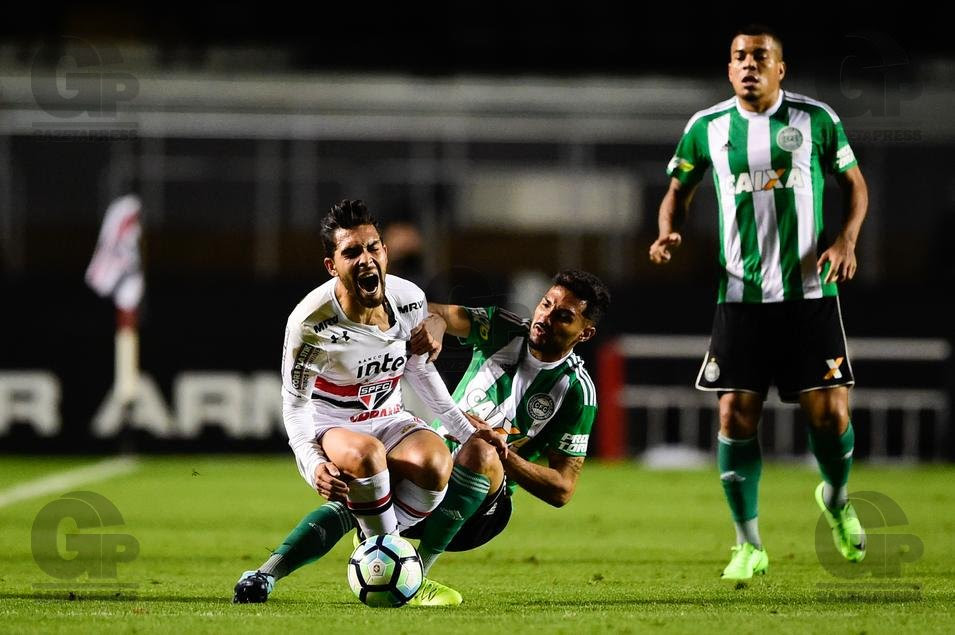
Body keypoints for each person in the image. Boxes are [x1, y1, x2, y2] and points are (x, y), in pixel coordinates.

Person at [239, 269, 610, 606]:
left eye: (564, 316)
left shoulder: (576, 391)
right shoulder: (503, 328)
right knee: (355, 486)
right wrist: (434, 325)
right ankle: (265, 574)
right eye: (546, 304)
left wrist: (502, 452)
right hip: (430, 471)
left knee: (480, 449)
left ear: (585, 333)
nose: (545, 317)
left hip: (481, 509)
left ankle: (416, 575)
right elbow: (425, 311)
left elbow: (563, 489)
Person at [649, 25, 869, 580]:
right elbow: (677, 191)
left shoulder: (815, 119)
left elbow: (856, 185)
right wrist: (668, 230)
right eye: (739, 57)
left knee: (830, 415)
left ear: (780, 68)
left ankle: (836, 498)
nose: (749, 64)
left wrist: (846, 240)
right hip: (741, 298)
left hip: (810, 292)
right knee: (734, 414)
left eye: (760, 56)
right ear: (729, 69)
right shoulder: (707, 127)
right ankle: (748, 544)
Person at [233, 199, 505, 603]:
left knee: (435, 463)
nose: (366, 259)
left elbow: (419, 371)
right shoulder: (311, 324)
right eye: (351, 252)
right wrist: (313, 464)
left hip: (390, 416)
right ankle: (398, 572)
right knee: (366, 457)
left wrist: (467, 434)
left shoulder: (409, 298)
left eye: (373, 247)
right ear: (332, 266)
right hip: (334, 424)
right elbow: (295, 405)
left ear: (385, 252)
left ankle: (361, 552)